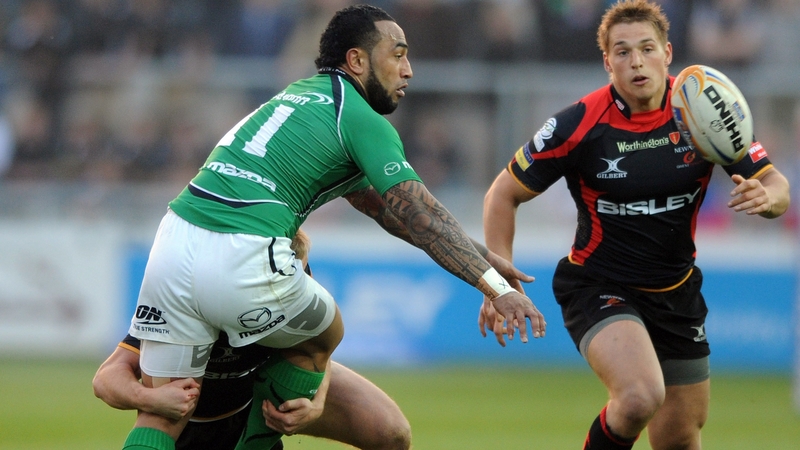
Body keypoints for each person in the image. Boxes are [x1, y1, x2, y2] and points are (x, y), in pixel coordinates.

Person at [122, 4, 546, 450]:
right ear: (357, 60)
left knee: (159, 413)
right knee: (326, 332)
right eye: (397, 55)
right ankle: (258, 439)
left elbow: (391, 212)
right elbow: (421, 215)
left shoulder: (300, 98)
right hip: (242, 248)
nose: (409, 70)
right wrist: (497, 288)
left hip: (173, 239)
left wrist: (480, 257)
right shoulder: (359, 116)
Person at [480, 1, 790, 449]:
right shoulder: (578, 124)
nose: (636, 61)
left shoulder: (700, 107)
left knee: (680, 436)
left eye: (646, 48)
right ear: (607, 63)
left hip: (675, 291)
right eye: (622, 52)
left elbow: (774, 183)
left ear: (667, 52)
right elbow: (501, 195)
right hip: (599, 285)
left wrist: (769, 198)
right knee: (639, 395)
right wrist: (498, 281)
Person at [94, 230, 411, 450]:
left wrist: (317, 402)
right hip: (190, 417)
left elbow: (317, 342)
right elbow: (107, 376)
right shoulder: (190, 293)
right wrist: (146, 398)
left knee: (389, 432)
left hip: (259, 398)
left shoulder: (293, 277)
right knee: (159, 407)